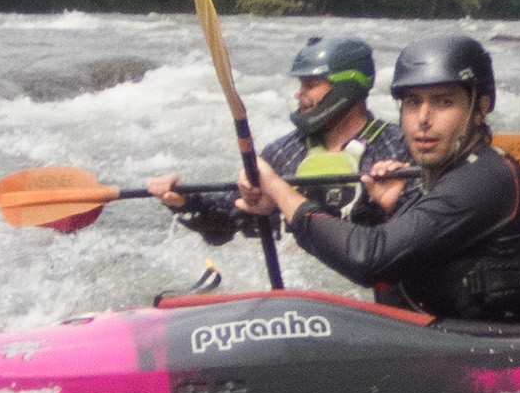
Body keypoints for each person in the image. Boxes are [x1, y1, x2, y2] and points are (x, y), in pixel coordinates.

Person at [246, 35, 520, 324]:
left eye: (443, 102)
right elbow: (397, 257)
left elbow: (370, 260)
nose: (423, 118)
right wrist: (390, 211)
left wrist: (279, 191)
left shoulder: (484, 179)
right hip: (454, 347)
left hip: (504, 359)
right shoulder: (450, 175)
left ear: (480, 107)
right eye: (412, 103)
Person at [151, 33, 402, 246]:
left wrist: (390, 207)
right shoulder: (283, 153)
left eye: (310, 85)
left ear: (347, 85)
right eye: (300, 85)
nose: (299, 94)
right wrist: (185, 202)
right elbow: (224, 226)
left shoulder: (397, 148)